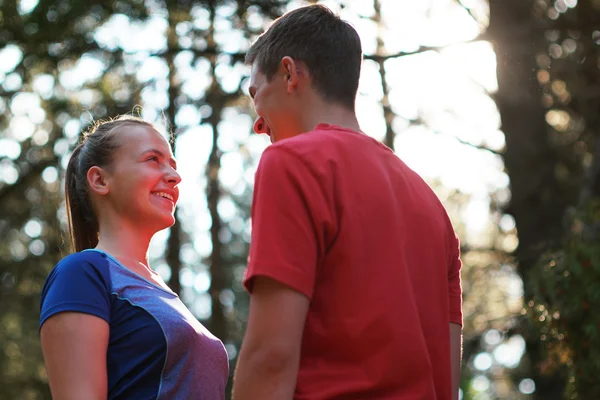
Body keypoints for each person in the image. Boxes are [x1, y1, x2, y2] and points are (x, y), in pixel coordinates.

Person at [233, 5, 462, 400]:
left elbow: (270, 357)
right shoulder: (432, 206)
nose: (258, 123)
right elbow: (448, 375)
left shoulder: (292, 164)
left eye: (256, 95)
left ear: (290, 74)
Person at [39, 116, 228, 399]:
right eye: (153, 160)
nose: (174, 176)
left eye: (173, 166)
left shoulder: (164, 293)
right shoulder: (81, 274)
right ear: (100, 180)